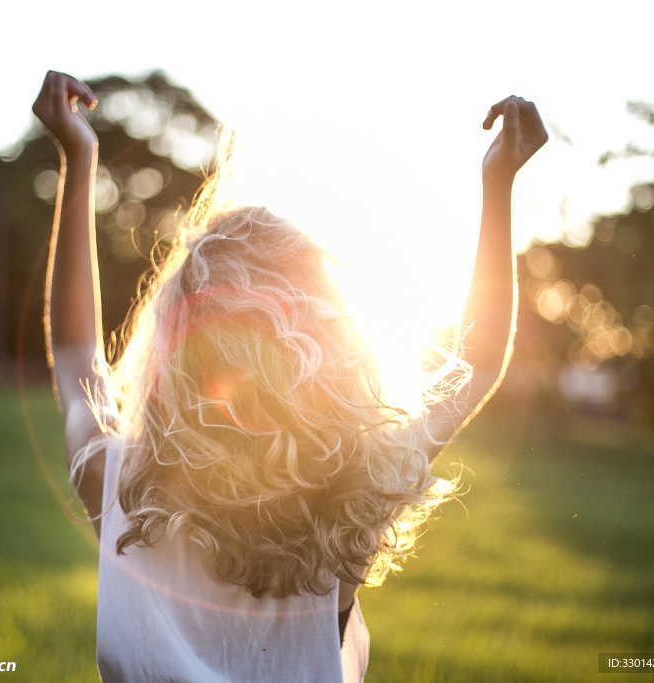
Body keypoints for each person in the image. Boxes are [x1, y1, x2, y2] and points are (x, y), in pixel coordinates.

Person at [31, 69, 547, 682]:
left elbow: (76, 355)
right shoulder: (353, 496)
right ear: (325, 348)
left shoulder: (117, 483)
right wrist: (499, 183)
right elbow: (477, 359)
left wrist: (78, 158)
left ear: (173, 349)